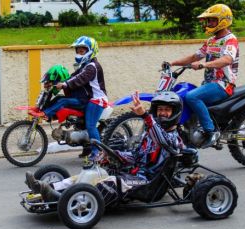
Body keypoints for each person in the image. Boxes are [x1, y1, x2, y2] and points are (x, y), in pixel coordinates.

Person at [24, 91, 184, 202]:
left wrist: (145, 116)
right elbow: (135, 156)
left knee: (108, 183)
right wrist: (112, 154)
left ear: (175, 112)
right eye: (160, 110)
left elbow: (162, 140)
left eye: (167, 110)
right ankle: (47, 188)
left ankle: (62, 200)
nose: (162, 113)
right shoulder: (148, 134)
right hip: (134, 175)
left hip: (147, 184)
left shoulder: (174, 138)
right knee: (90, 175)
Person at [167, 4, 239, 148]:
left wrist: (203, 65)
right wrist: (172, 63)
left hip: (223, 84)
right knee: (184, 94)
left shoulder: (230, 39)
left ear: (223, 20)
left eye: (212, 20)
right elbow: (195, 56)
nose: (209, 23)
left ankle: (210, 131)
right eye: (208, 21)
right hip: (209, 83)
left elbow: (227, 59)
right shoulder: (211, 40)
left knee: (192, 97)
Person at [58, 36, 108, 164]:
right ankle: (87, 148)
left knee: (91, 126)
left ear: (91, 50)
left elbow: (80, 79)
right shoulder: (85, 65)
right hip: (92, 99)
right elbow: (74, 76)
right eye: (78, 51)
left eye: (82, 51)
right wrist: (61, 82)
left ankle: (99, 153)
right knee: (82, 124)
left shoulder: (92, 66)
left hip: (97, 99)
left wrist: (65, 85)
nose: (79, 54)